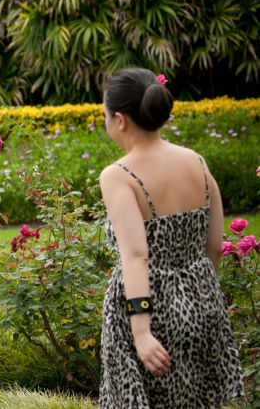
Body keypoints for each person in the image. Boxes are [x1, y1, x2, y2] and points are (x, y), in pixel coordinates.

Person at [98, 68, 244, 408]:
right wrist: (198, 298)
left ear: (120, 120)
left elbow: (136, 256)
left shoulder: (119, 175)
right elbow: (213, 247)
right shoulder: (196, 161)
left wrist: (141, 332)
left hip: (149, 314)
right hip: (204, 303)